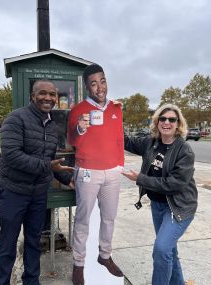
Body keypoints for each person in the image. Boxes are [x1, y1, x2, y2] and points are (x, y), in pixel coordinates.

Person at [0, 80, 73, 285]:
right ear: (32, 96)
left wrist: (69, 178)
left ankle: (31, 281)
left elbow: (52, 160)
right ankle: (2, 281)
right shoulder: (15, 119)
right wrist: (48, 166)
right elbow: (12, 156)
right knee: (7, 243)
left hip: (38, 194)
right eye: (43, 93)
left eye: (52, 94)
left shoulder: (53, 127)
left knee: (33, 241)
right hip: (13, 192)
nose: (48, 98)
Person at [122, 103, 198, 285]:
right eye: (162, 119)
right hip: (157, 206)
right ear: (157, 122)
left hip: (179, 207)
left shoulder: (184, 150)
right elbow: (125, 141)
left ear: (178, 124)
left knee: (162, 250)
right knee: (169, 251)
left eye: (172, 119)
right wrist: (114, 113)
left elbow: (175, 184)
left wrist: (141, 179)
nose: (167, 122)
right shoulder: (150, 143)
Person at [68, 64, 124, 285]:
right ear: (87, 87)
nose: (100, 87)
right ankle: (78, 264)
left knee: (109, 218)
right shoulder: (77, 110)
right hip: (88, 172)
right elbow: (72, 141)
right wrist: (80, 129)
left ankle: (105, 256)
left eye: (102, 81)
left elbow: (119, 139)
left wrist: (120, 164)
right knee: (83, 220)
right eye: (94, 83)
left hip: (112, 172)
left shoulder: (116, 108)